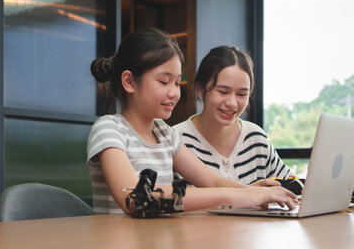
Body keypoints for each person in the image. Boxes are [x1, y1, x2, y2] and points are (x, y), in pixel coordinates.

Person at [86, 28, 297, 214]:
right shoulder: (109, 129)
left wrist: (257, 192)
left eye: (177, 83)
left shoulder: (165, 134)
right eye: (164, 81)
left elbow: (212, 181)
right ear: (129, 82)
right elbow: (135, 197)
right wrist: (234, 196)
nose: (174, 93)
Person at [173, 46, 293, 185]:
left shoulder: (255, 138)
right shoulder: (176, 140)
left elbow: (292, 186)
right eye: (223, 92)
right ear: (200, 88)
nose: (232, 103)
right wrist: (250, 194)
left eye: (241, 94)